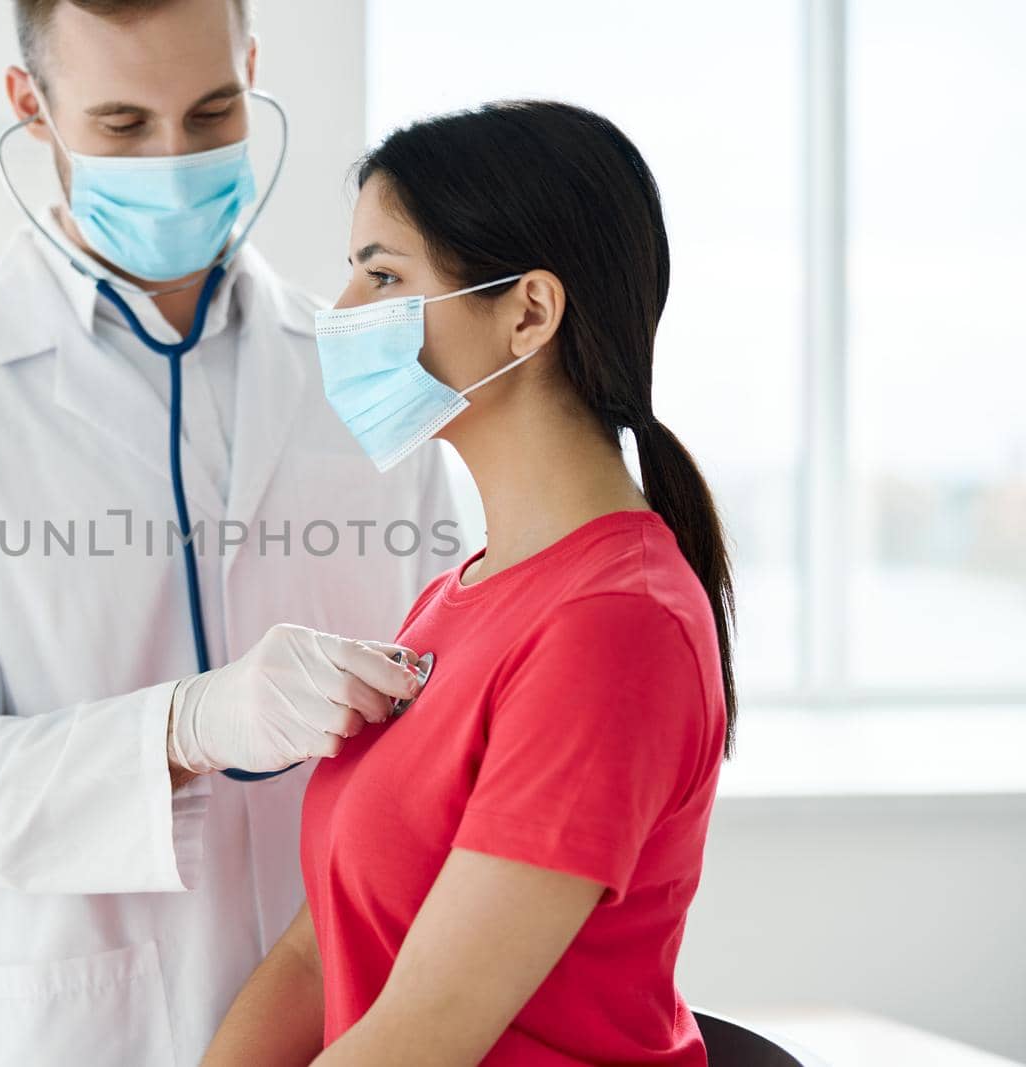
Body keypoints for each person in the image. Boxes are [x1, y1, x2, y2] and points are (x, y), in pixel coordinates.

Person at [0, 0, 458, 1063]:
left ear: (252, 70)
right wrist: (176, 730)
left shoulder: (359, 368)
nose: (172, 157)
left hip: (358, 1015)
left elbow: (454, 669)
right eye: (122, 126)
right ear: (31, 105)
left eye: (212, 112)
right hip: (91, 1022)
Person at [204, 100, 737, 1066]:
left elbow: (427, 1031)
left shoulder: (614, 625)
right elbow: (316, 954)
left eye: (384, 274)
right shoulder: (458, 598)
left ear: (527, 311)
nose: (344, 311)